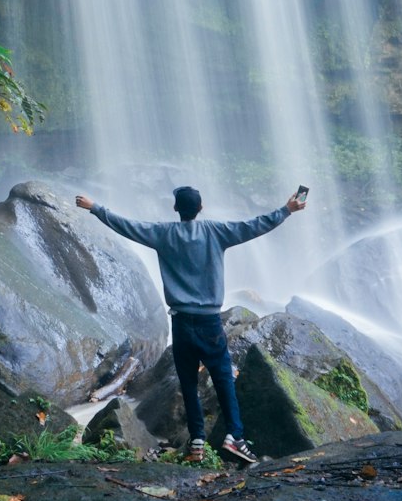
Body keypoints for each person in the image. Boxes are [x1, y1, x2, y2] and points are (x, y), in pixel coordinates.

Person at [75, 184, 307, 464]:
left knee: (187, 383)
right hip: (210, 322)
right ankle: (235, 437)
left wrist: (95, 208)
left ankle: (197, 441)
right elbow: (254, 226)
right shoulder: (216, 232)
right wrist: (287, 210)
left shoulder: (163, 234)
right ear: (201, 208)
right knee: (223, 379)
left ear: (176, 209)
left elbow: (127, 226)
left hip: (182, 323)